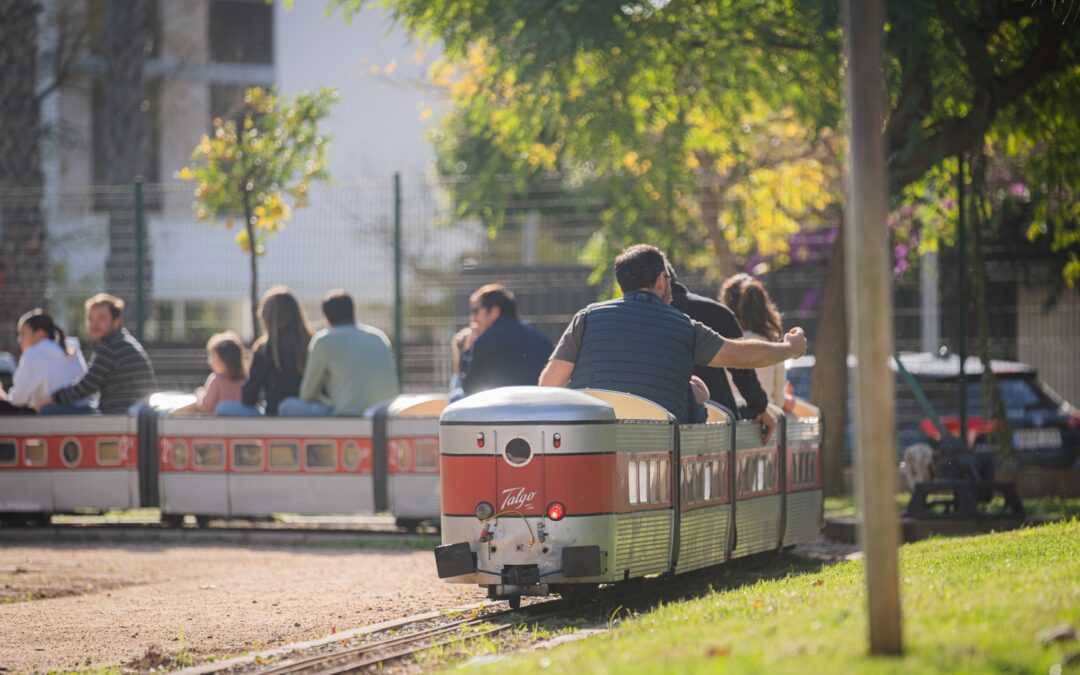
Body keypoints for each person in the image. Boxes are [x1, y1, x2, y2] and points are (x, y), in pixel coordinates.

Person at [539, 244, 806, 423]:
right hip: (660, 458)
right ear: (659, 282)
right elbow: (739, 355)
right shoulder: (684, 327)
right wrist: (789, 348)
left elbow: (549, 386)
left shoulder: (585, 319)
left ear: (622, 288)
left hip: (595, 448)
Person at [669, 265, 776, 439]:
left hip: (663, 420)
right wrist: (760, 408)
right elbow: (742, 367)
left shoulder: (638, 320)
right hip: (718, 419)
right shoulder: (717, 313)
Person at [278, 289, 400, 416]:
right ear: (353, 312)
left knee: (286, 406)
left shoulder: (323, 340)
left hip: (348, 416)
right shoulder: (379, 336)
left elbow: (307, 395)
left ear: (325, 317)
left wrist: (332, 403)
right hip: (385, 415)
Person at [37, 294, 156, 414]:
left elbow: (86, 387)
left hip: (120, 414)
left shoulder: (111, 346)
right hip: (134, 413)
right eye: (90, 319)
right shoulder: (122, 341)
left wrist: (51, 398)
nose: (94, 324)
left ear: (116, 322)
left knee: (48, 411)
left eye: (102, 318)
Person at [217, 286, 311, 417]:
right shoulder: (312, 343)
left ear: (266, 317)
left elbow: (248, 398)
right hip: (307, 414)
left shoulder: (264, 349)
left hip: (273, 416)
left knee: (223, 408)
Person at [457, 284, 553, 399]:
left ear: (494, 311)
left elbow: (469, 389)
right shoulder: (541, 339)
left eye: (476, 311)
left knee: (455, 394)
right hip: (538, 408)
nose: (473, 318)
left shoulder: (485, 341)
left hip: (500, 410)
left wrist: (467, 348)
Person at [722, 274, 796, 414]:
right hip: (764, 423)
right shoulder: (773, 344)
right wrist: (789, 398)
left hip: (730, 423)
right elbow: (779, 401)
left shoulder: (722, 342)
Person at [0, 310, 88, 415]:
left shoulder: (34, 353)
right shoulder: (71, 347)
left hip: (57, 415)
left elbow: (17, 400)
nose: (19, 340)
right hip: (85, 410)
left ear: (40, 334)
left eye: (23, 334)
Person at [195, 332, 246, 414]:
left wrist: (200, 395)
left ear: (225, 360)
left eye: (212, 357)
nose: (209, 361)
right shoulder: (245, 380)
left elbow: (205, 407)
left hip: (220, 425)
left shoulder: (216, 380)